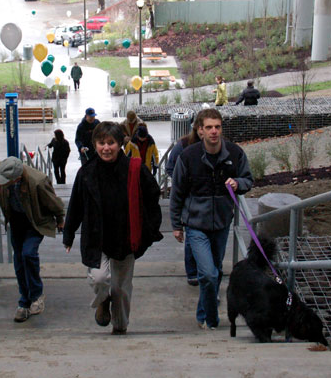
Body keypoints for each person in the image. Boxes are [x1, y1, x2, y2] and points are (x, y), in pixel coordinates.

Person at [63, 121, 163, 335]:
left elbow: (153, 196)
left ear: (120, 144)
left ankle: (120, 325)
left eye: (111, 143)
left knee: (121, 288)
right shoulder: (86, 173)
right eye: (101, 143)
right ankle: (102, 300)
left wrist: (151, 227)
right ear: (94, 144)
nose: (106, 148)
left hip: (126, 236)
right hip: (97, 236)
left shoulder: (135, 169)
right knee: (100, 278)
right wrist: (69, 234)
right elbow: (76, 205)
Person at [170, 108, 253, 330]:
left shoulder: (235, 154)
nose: (214, 131)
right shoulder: (188, 157)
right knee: (207, 273)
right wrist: (176, 225)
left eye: (217, 127)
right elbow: (176, 191)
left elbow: (248, 180)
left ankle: (201, 315)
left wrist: (238, 183)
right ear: (200, 130)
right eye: (208, 127)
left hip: (222, 223)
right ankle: (212, 319)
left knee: (214, 271)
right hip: (196, 224)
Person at [0, 157, 65, 323]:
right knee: (19, 260)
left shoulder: (37, 181)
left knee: (28, 254)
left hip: (35, 222)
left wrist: (60, 219)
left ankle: (36, 295)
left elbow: (54, 203)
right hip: (15, 220)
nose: (1, 182)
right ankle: (24, 301)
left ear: (16, 179)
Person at [165, 111, 206, 287]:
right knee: (191, 238)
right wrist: (182, 181)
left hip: (209, 202)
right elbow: (169, 167)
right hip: (190, 201)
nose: (210, 132)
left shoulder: (220, 146)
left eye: (215, 127)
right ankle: (193, 272)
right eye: (205, 127)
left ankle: (206, 272)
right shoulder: (183, 145)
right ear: (196, 128)